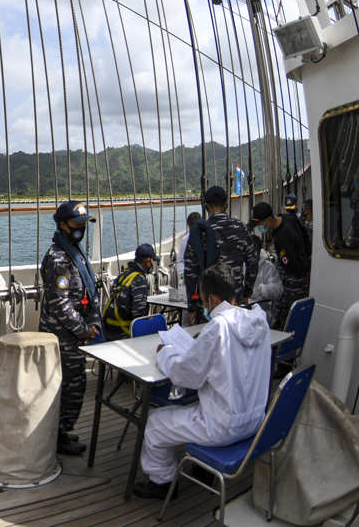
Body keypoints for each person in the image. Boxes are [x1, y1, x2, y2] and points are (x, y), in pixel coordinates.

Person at [133, 262, 271, 499]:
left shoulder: (217, 329)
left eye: (204, 299)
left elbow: (185, 376)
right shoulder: (259, 322)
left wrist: (164, 352)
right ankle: (203, 469)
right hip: (255, 421)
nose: (204, 305)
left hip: (223, 426)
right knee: (196, 406)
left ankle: (163, 483)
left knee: (155, 423)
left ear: (214, 300)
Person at [39, 201, 101, 455]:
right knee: (66, 387)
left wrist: (94, 321)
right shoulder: (57, 259)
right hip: (61, 337)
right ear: (62, 225)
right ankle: (56, 436)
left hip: (75, 334)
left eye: (84, 225)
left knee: (73, 385)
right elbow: (60, 305)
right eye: (76, 225)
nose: (81, 229)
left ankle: (62, 432)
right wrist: (84, 329)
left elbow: (88, 293)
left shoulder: (75, 253)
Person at [183, 186, 258, 323]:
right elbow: (253, 263)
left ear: (206, 207)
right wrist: (247, 292)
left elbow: (190, 274)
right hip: (236, 301)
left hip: (209, 305)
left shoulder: (199, 232)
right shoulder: (241, 228)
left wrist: (192, 307)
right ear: (226, 205)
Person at [251, 202, 310, 330]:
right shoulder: (288, 218)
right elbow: (306, 242)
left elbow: (290, 266)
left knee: (286, 319)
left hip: (294, 283)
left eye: (259, 224)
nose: (259, 228)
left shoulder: (283, 237)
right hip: (298, 274)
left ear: (267, 221)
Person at [102, 243, 156, 341]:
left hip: (108, 328)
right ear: (147, 261)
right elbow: (138, 315)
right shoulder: (139, 280)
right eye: (152, 261)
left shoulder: (124, 274)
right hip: (122, 332)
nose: (152, 264)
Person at [176, 212, 201, 298]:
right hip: (189, 280)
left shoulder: (207, 238)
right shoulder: (185, 240)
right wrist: (183, 274)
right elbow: (180, 260)